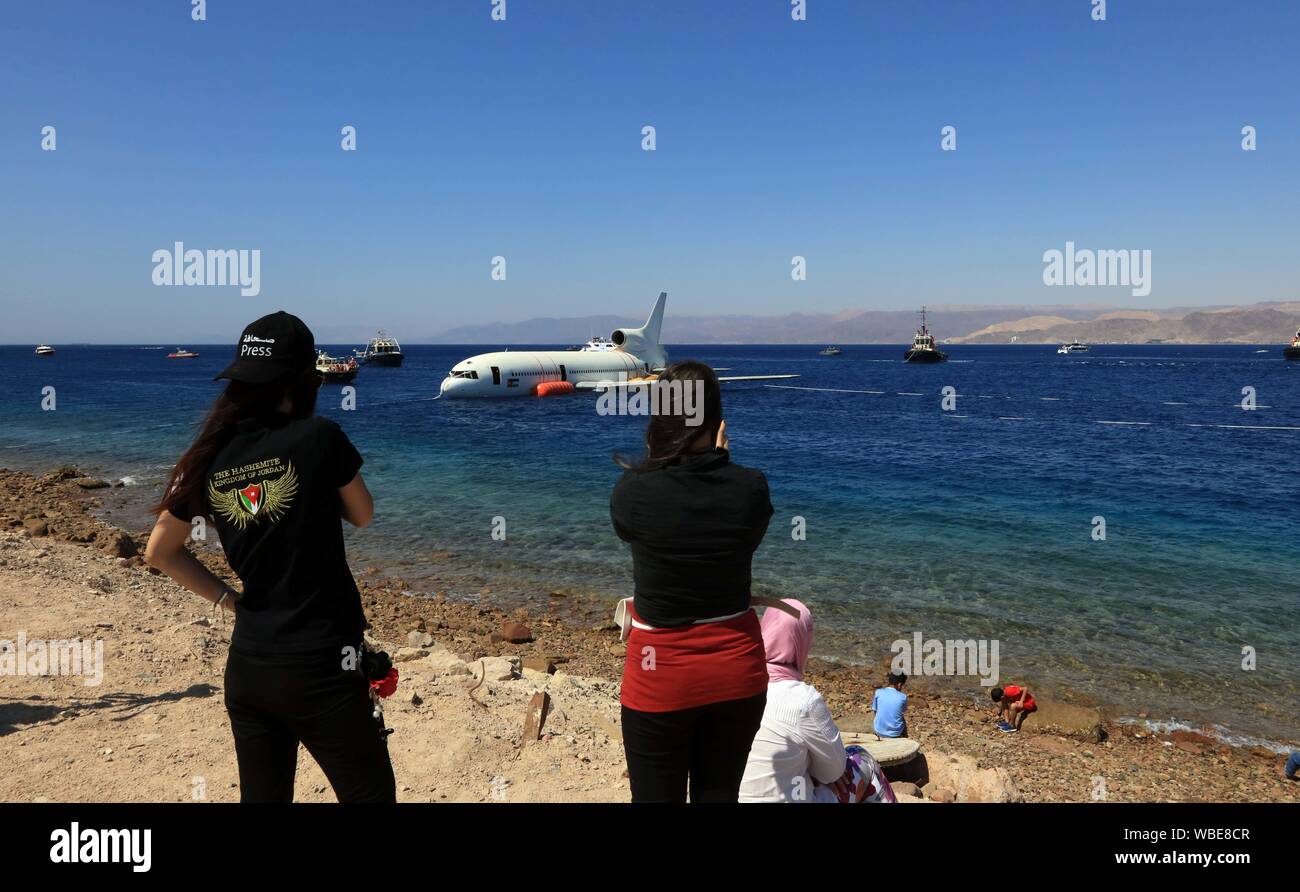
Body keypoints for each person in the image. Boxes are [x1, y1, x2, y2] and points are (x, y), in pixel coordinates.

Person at [144, 311, 395, 803]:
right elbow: (362, 514)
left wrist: (229, 602)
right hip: (324, 663)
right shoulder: (319, 436)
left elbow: (160, 551)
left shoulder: (210, 455)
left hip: (251, 666)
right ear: (305, 379)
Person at [610, 361, 773, 803]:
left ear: (660, 417)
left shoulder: (632, 493)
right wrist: (721, 463)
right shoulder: (751, 488)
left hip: (659, 673)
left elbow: (634, 530)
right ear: (717, 419)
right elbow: (742, 530)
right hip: (737, 672)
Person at [740, 599, 895, 803]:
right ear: (802, 641)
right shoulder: (803, 699)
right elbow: (833, 772)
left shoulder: (737, 684)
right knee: (862, 759)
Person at [872, 671, 909, 738]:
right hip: (895, 734)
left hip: (879, 731)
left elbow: (875, 711)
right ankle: (905, 738)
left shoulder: (878, 692)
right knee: (902, 719)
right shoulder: (903, 697)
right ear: (899, 684)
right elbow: (901, 713)